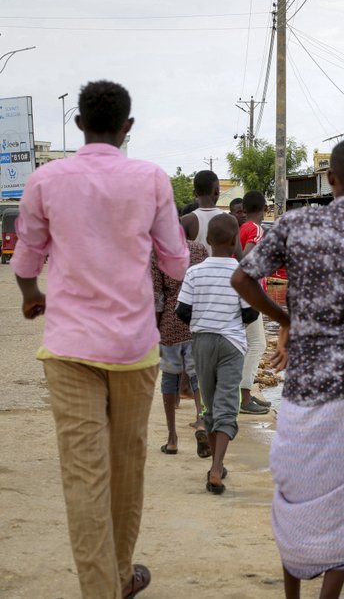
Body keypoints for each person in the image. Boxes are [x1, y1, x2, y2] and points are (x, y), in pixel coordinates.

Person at [12, 80, 189, 598]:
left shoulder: (46, 179)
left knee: (84, 475)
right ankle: (117, 577)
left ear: (78, 123)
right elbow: (175, 260)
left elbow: (26, 259)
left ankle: (104, 588)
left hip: (68, 349)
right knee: (127, 467)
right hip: (135, 349)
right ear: (127, 127)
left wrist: (31, 294)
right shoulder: (151, 179)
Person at [232, 138, 344, 599]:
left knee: (296, 495)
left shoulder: (295, 223)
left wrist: (287, 320)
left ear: (330, 178)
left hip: (305, 389)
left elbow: (242, 279)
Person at [176, 214, 258, 494]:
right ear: (235, 241)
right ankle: (215, 467)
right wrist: (232, 323)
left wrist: (204, 323)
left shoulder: (194, 272)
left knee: (211, 404)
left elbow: (182, 311)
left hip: (202, 343)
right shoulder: (243, 272)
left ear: (208, 241)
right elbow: (251, 312)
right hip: (232, 344)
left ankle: (215, 462)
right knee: (227, 404)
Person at [152, 240, 210, 455]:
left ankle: (172, 439)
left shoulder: (158, 252)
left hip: (170, 323)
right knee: (198, 377)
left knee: (169, 378)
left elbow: (157, 296)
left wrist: (155, 329)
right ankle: (201, 421)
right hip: (197, 323)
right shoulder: (199, 249)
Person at [237, 190, 270, 415]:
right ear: (265, 208)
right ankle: (245, 396)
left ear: (245, 210)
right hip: (250, 294)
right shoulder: (256, 229)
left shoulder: (242, 228)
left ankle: (244, 394)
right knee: (258, 344)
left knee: (248, 345)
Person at [180, 170, 241, 259]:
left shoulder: (186, 221)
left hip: (195, 272)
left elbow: (178, 257)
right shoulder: (230, 220)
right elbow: (240, 257)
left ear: (195, 193)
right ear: (216, 191)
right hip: (225, 272)